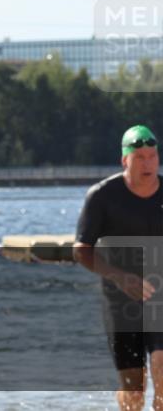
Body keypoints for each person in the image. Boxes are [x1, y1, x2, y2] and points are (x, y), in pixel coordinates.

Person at [73, 125, 162, 411]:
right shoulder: (102, 196)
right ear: (125, 161)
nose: (148, 164)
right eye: (140, 157)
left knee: (162, 366)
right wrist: (120, 277)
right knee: (134, 387)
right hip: (120, 299)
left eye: (152, 156)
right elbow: (81, 250)